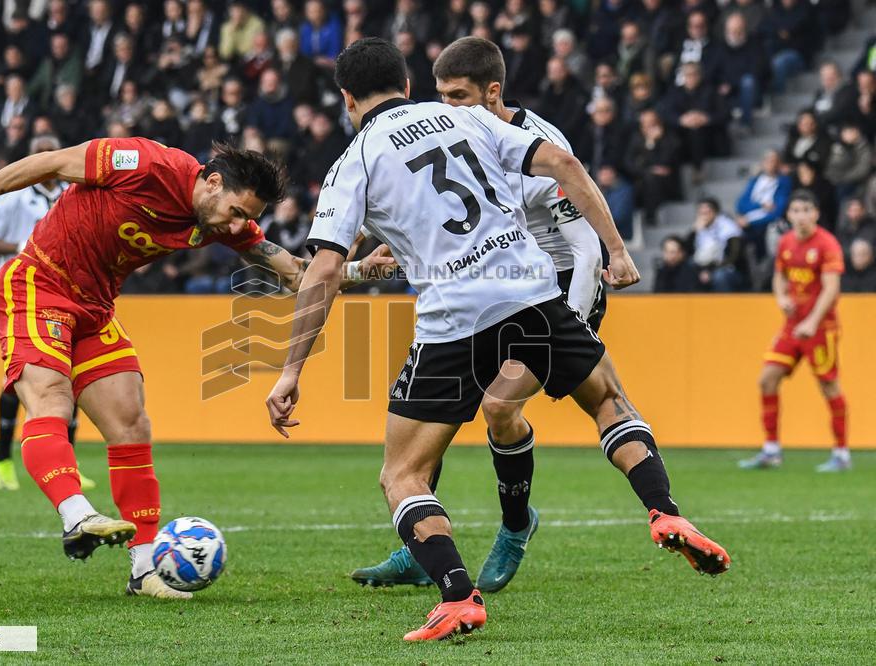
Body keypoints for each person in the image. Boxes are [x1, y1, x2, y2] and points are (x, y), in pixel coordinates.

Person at [265, 37, 729, 642]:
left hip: (454, 321)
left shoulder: (352, 163)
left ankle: (457, 596)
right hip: (534, 295)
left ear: (348, 99)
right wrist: (617, 249)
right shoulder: (466, 118)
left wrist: (290, 370)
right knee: (609, 401)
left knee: (402, 473)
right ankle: (664, 510)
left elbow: (324, 270)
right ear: (408, 86)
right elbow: (565, 164)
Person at [0, 139, 392, 599]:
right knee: (52, 398)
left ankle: (145, 569)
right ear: (213, 182)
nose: (237, 226)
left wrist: (360, 272)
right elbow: (50, 162)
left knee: (132, 422)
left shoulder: (222, 223)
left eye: (245, 219)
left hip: (95, 308)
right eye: (235, 212)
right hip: (40, 281)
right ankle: (77, 515)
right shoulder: (145, 165)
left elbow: (295, 274)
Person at [350, 36, 605, 593]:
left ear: (493, 92)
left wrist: (574, 326)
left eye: (458, 96)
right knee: (423, 425)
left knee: (499, 408)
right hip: (487, 297)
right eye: (440, 95)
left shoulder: (543, 146)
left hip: (556, 290)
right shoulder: (455, 131)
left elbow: (587, 249)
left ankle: (516, 527)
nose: (446, 107)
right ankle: (418, 549)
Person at [0, 135, 95, 493]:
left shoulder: (73, 192)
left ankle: (67, 465)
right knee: (17, 378)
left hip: (69, 293)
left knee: (72, 375)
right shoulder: (14, 196)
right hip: (23, 294)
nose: (48, 161)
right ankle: (2, 458)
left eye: (52, 154)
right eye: (41, 155)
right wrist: (22, 245)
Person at [740, 190, 851, 473]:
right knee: (767, 379)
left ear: (815, 213)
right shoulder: (786, 242)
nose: (800, 216)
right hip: (792, 326)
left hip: (820, 328)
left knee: (829, 386)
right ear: (788, 214)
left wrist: (813, 321)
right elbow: (779, 276)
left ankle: (841, 453)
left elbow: (831, 288)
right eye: (795, 210)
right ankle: (771, 450)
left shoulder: (827, 244)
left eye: (806, 210)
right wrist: (781, 298)